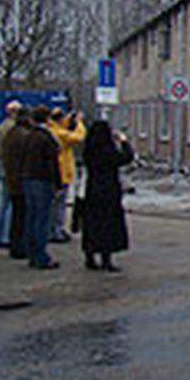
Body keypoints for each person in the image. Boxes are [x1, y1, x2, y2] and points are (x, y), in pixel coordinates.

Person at [82, 120, 134, 272]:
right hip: (108, 191)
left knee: (92, 224)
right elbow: (126, 158)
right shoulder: (108, 151)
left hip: (92, 190)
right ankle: (106, 259)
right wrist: (124, 142)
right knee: (108, 225)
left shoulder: (89, 150)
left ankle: (89, 256)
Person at [20, 105, 62, 270]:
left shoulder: (29, 136)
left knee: (31, 217)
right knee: (42, 219)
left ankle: (31, 253)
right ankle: (41, 256)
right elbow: (52, 162)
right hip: (43, 180)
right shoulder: (45, 137)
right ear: (47, 119)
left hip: (28, 178)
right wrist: (57, 183)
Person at [47, 107, 87, 244]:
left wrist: (70, 120)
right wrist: (79, 123)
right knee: (59, 204)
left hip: (60, 172)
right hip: (61, 172)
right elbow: (78, 137)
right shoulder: (58, 133)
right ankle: (55, 230)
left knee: (57, 203)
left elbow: (64, 126)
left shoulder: (53, 128)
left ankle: (55, 228)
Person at [2, 107, 32, 259]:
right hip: (20, 181)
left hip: (12, 178)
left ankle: (14, 244)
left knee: (15, 214)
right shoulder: (22, 136)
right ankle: (20, 246)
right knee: (21, 216)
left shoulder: (11, 133)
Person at [0, 99, 21, 248]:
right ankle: (6, 236)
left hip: (3, 166)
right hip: (11, 169)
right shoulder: (13, 128)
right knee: (11, 202)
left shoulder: (2, 126)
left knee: (3, 203)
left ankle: (0, 235)